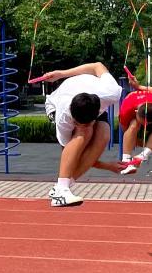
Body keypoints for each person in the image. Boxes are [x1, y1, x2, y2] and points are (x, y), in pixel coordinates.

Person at [41, 62, 124, 207]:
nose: (78, 125)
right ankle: (61, 189)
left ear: (95, 116)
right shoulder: (64, 115)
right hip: (55, 104)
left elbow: (97, 66)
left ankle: (60, 188)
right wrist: (106, 166)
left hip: (91, 97)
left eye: (84, 123)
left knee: (104, 134)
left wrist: (61, 73)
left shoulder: (110, 92)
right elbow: (71, 155)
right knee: (84, 133)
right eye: (76, 123)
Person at [118, 69, 152, 175]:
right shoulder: (127, 108)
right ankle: (126, 162)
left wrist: (139, 87)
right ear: (136, 112)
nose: (146, 125)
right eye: (144, 123)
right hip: (133, 107)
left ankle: (142, 156)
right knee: (133, 125)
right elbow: (124, 130)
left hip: (149, 106)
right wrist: (144, 143)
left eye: (148, 123)